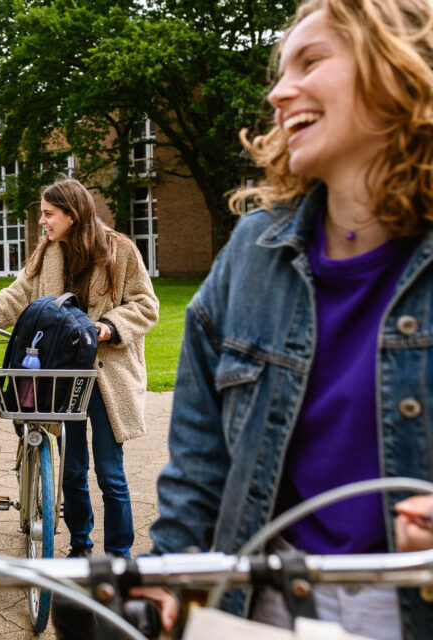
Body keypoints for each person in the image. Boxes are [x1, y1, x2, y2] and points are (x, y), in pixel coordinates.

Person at [145, 0, 433, 637]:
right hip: (259, 614)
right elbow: (198, 466)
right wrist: (169, 578)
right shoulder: (248, 256)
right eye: (281, 70)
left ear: (399, 69)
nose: (278, 93)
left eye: (312, 60)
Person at [0, 178, 159, 559]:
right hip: (60, 373)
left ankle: (118, 555)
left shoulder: (120, 250)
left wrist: (109, 326)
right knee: (72, 468)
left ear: (72, 214)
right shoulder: (47, 252)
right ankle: (80, 547)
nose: (43, 222)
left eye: (49, 214)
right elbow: (19, 294)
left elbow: (146, 305)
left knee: (110, 473)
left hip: (106, 374)